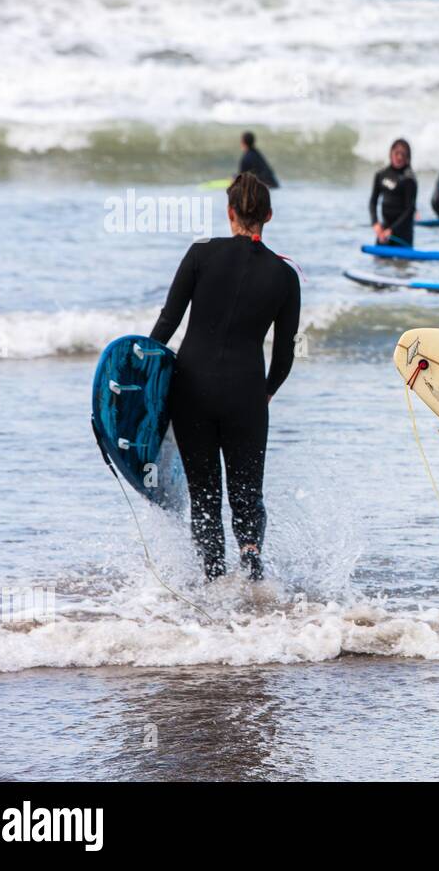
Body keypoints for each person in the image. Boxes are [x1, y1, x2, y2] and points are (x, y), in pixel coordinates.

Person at [150, 174, 301, 581]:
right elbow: (285, 355)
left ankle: (214, 583)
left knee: (204, 497)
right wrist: (264, 394)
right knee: (247, 497)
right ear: (268, 215)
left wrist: (144, 377)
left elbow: (167, 323)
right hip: (246, 396)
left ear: (229, 212)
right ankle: (252, 573)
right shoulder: (285, 277)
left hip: (191, 391)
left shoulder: (200, 253)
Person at [370, 138, 418, 246]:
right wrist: (375, 223)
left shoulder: (409, 179)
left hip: (402, 233)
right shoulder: (381, 175)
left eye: (403, 154)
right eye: (397, 153)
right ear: (391, 153)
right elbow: (373, 201)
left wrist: (392, 230)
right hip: (384, 231)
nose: (399, 157)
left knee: (402, 263)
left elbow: (410, 210)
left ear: (408, 157)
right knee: (378, 262)